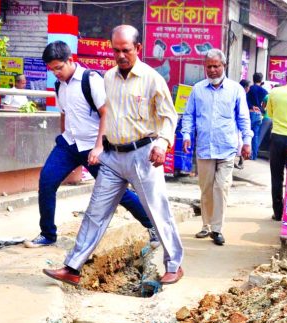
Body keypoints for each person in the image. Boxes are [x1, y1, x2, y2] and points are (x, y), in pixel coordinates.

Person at [42, 25, 184, 286]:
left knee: (157, 211)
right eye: (116, 50)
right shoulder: (107, 78)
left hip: (143, 154)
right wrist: (99, 147)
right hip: (112, 157)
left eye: (126, 50)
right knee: (95, 213)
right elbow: (106, 115)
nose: (120, 55)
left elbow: (168, 116)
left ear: (138, 49)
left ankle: (174, 265)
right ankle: (72, 267)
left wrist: (162, 143)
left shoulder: (152, 79)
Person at [23, 41, 156, 249]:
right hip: (69, 144)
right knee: (46, 181)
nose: (56, 73)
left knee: (118, 192)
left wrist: (99, 147)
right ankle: (47, 233)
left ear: (70, 60)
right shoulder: (60, 86)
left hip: (95, 146)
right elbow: (64, 114)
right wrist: (63, 139)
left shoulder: (90, 79)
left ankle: (152, 226)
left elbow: (106, 114)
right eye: (52, 69)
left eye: (59, 67)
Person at [181, 50, 252, 246]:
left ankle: (217, 229)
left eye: (216, 66)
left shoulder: (235, 89)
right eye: (209, 66)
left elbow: (243, 118)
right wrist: (186, 135)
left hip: (227, 147)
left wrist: (247, 141)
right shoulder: (197, 89)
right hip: (204, 147)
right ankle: (206, 225)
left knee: (221, 187)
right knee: (205, 188)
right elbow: (189, 115)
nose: (212, 70)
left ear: (224, 66)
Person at [266, 65, 287, 221]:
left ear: (286, 77)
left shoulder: (275, 92)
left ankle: (278, 213)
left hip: (277, 138)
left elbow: (269, 113)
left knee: (276, 177)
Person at [246, 72, 269, 160]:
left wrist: (252, 106)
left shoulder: (250, 89)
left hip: (251, 112)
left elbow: (246, 100)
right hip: (259, 114)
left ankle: (246, 154)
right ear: (261, 80)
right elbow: (266, 103)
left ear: (253, 79)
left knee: (248, 134)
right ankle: (253, 155)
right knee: (255, 135)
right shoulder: (264, 91)